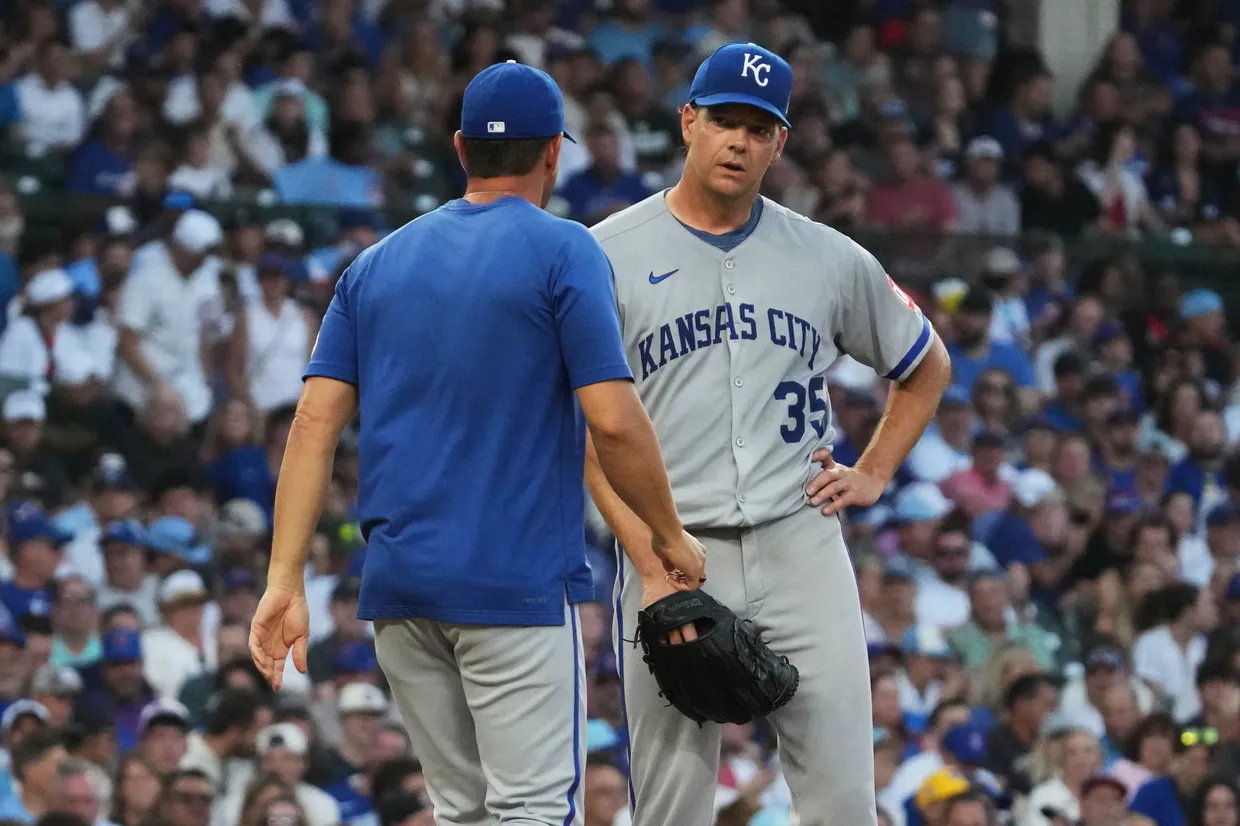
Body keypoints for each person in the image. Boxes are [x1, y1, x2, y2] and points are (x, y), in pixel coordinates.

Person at [248, 60, 704, 826]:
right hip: (513, 585)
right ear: (554, 152)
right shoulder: (565, 250)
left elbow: (312, 422)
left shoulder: (372, 265)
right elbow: (616, 421)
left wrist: (284, 577)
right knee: (528, 812)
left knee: (460, 813)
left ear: (461, 149)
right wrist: (667, 535)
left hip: (401, 593)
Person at [586, 42, 951, 826]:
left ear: (780, 142)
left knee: (845, 800)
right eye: (724, 122)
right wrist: (645, 554)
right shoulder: (604, 253)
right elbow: (576, 429)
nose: (739, 142)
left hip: (800, 542)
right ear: (689, 122)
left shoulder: (826, 256)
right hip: (672, 554)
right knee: (672, 807)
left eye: (759, 128)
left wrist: (876, 468)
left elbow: (925, 366)